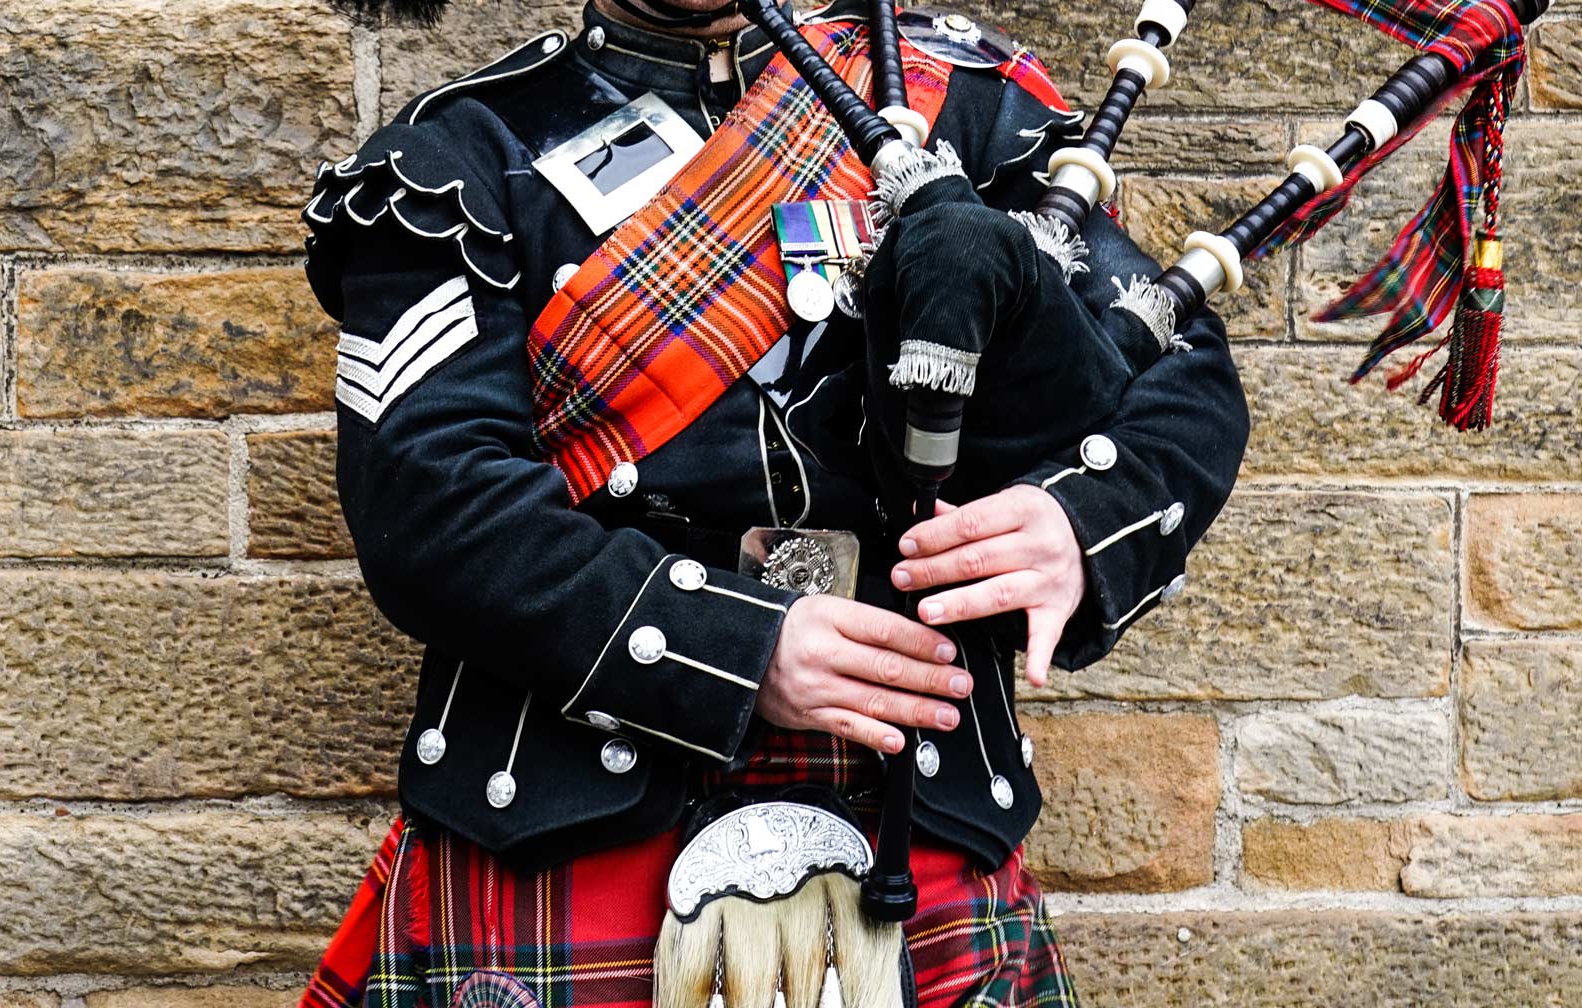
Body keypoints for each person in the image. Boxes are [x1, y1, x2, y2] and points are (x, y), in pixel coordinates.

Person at [299, 1, 1250, 1005]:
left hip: (916, 815)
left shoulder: (966, 111)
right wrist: (737, 648)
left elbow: (1179, 380)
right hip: (566, 822)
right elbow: (431, 498)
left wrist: (1073, 523)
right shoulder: (465, 151)